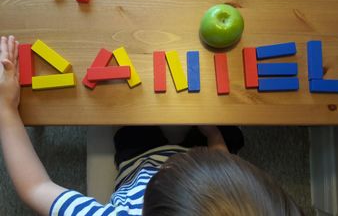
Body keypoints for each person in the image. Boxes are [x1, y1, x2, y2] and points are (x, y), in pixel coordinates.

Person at [0, 35, 303, 216]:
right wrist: (213, 138)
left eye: (168, 169)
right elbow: (223, 164)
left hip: (138, 159)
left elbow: (35, 187)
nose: (171, 161)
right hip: (211, 155)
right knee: (229, 131)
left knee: (130, 116)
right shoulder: (240, 193)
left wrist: (6, 109)